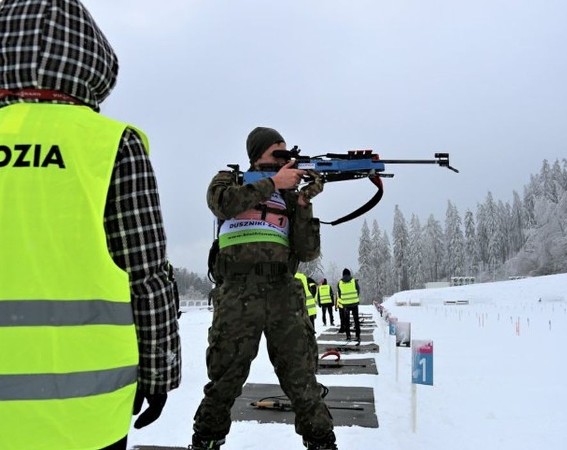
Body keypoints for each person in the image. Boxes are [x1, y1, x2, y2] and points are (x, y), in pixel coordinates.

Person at [0, 1, 181, 449]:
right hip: (83, 412)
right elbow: (146, 274)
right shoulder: (111, 146)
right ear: (91, 61)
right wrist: (159, 371)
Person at [191, 127, 337, 450]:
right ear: (257, 155)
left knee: (302, 379)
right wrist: (274, 183)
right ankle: (206, 440)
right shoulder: (229, 181)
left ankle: (321, 441)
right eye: (277, 154)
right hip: (237, 293)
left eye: (287, 155)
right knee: (225, 377)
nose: (284, 161)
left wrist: (302, 202)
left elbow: (308, 250)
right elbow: (223, 204)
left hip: (282, 291)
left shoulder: (289, 195)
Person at [337, 268, 361, 344]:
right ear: (349, 274)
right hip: (354, 303)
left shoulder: (340, 283)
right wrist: (355, 297)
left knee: (346, 321)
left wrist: (344, 299)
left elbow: (339, 294)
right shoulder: (354, 281)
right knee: (356, 320)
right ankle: (357, 335)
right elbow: (358, 290)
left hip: (345, 305)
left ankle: (348, 336)